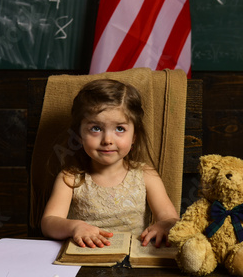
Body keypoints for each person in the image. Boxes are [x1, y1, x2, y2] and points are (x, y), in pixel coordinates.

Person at [41, 78, 179, 249]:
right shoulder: (70, 178)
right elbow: (48, 223)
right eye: (96, 128)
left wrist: (164, 225)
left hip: (132, 263)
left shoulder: (146, 175)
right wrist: (74, 226)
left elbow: (171, 218)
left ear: (134, 136)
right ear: (78, 135)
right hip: (84, 261)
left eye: (120, 129)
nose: (107, 140)